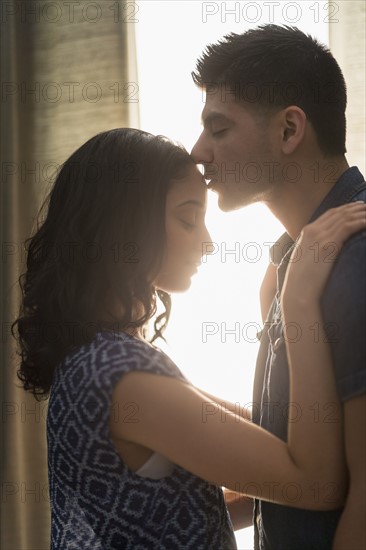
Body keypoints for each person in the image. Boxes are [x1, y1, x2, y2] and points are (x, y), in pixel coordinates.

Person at [12, 128, 365, 550]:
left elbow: (182, 505)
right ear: (125, 225)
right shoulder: (121, 379)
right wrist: (299, 300)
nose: (208, 243)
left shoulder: (100, 361)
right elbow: (315, 483)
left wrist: (272, 300)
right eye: (187, 217)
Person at [191, 24, 366, 550]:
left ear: (290, 130)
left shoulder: (355, 261)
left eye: (218, 130)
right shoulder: (291, 261)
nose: (198, 151)